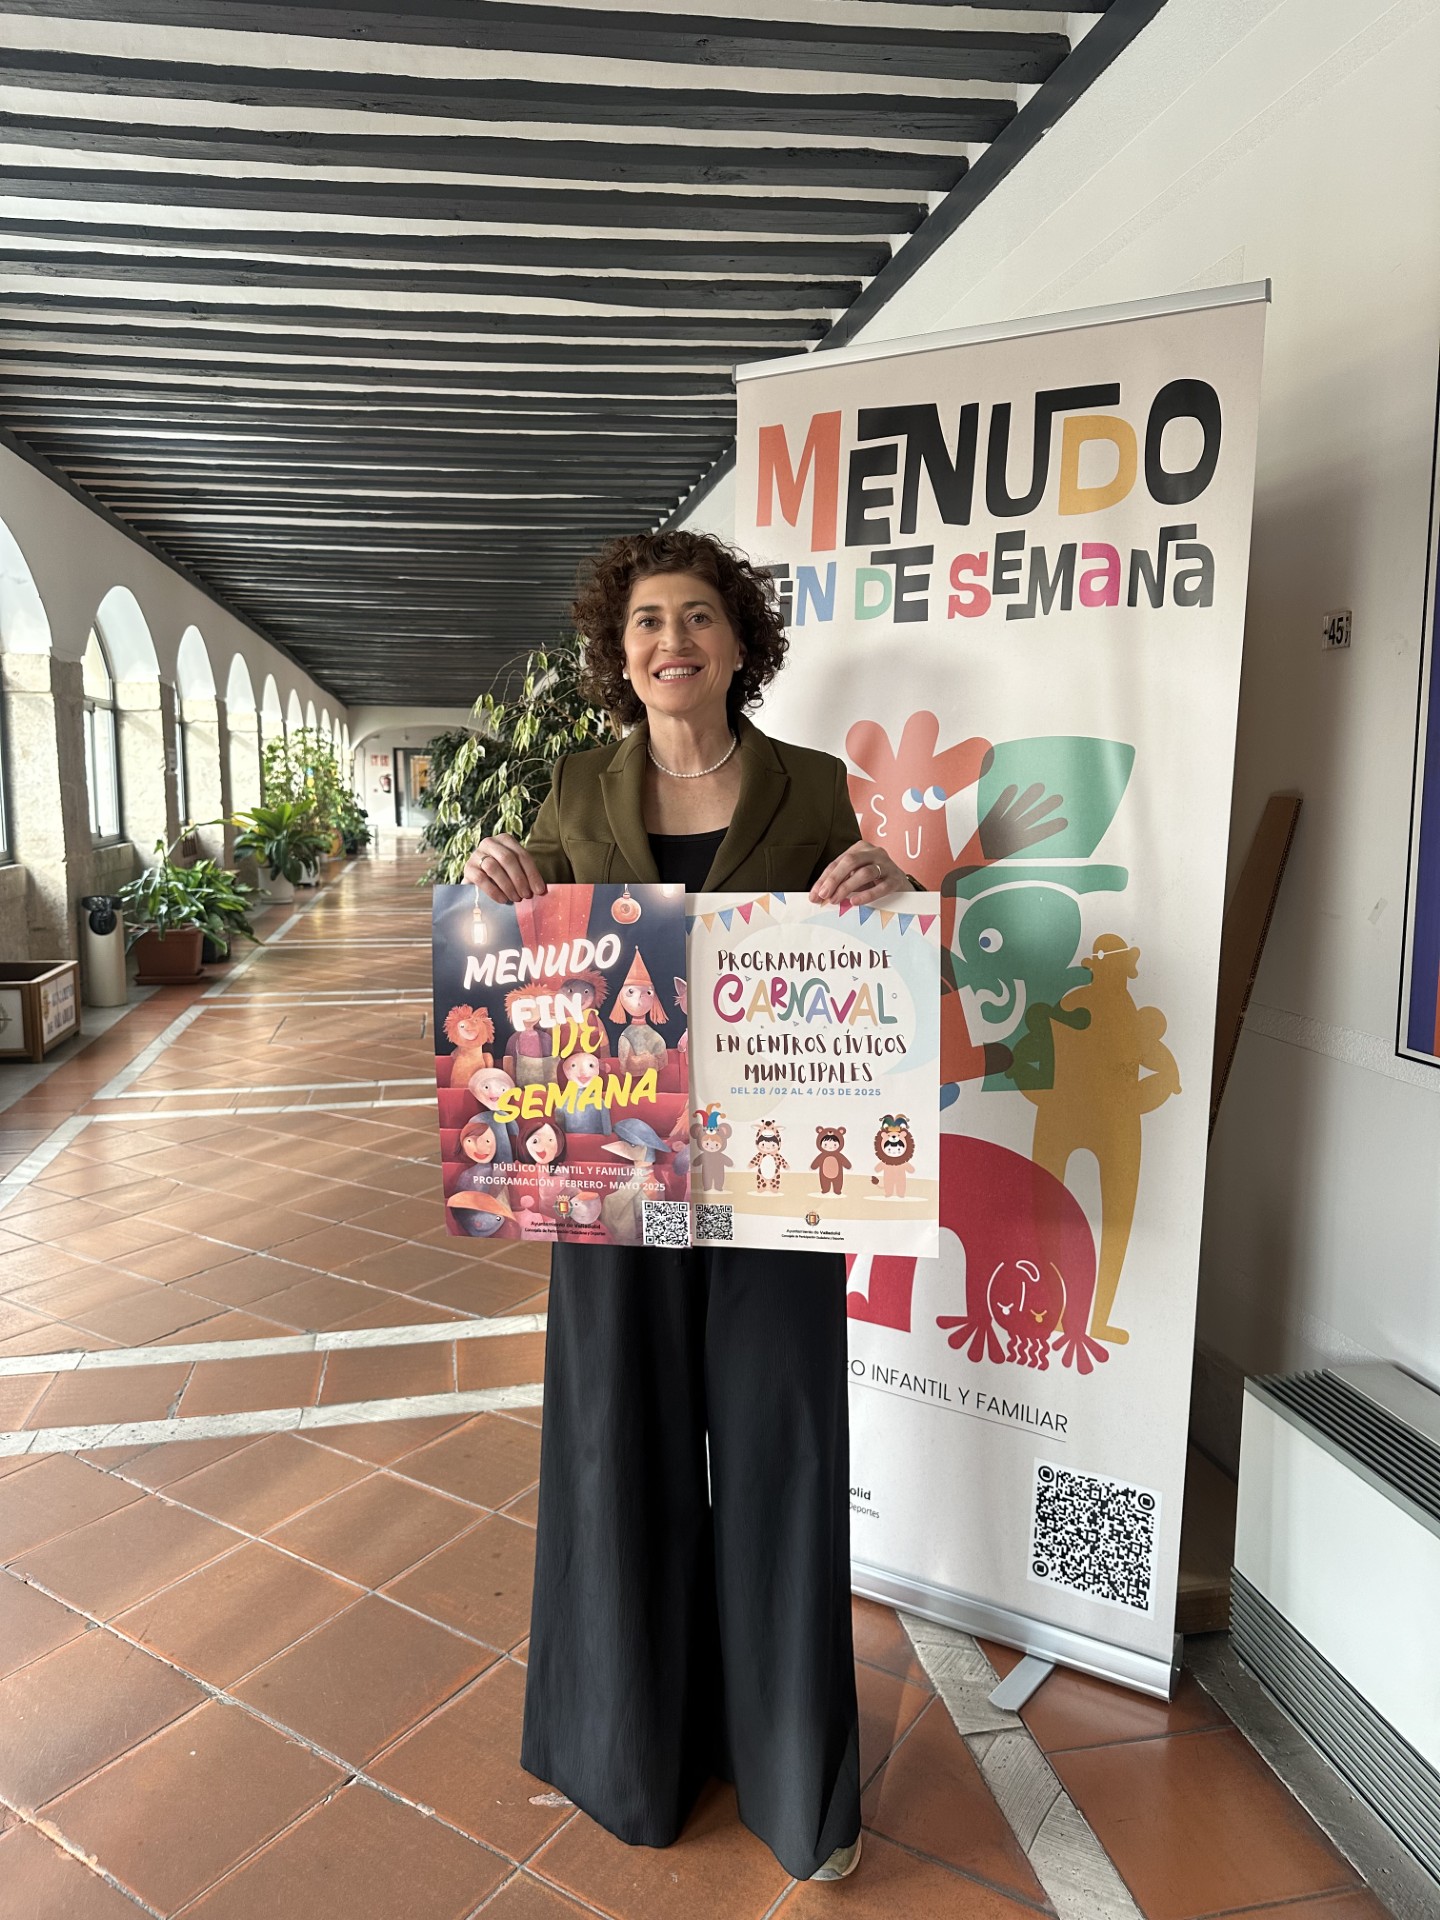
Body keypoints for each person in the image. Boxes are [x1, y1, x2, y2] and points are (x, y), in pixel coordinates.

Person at [463, 528, 916, 1884]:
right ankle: (629, 1753)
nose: (675, 640)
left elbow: (870, 948)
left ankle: (796, 1782)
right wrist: (496, 885)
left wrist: (893, 889)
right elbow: (529, 946)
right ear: (622, 652)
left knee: (784, 1450)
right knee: (619, 1444)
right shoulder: (575, 784)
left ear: (738, 643)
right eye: (650, 620)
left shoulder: (811, 785)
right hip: (613, 1172)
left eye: (701, 616)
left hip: (775, 1182)